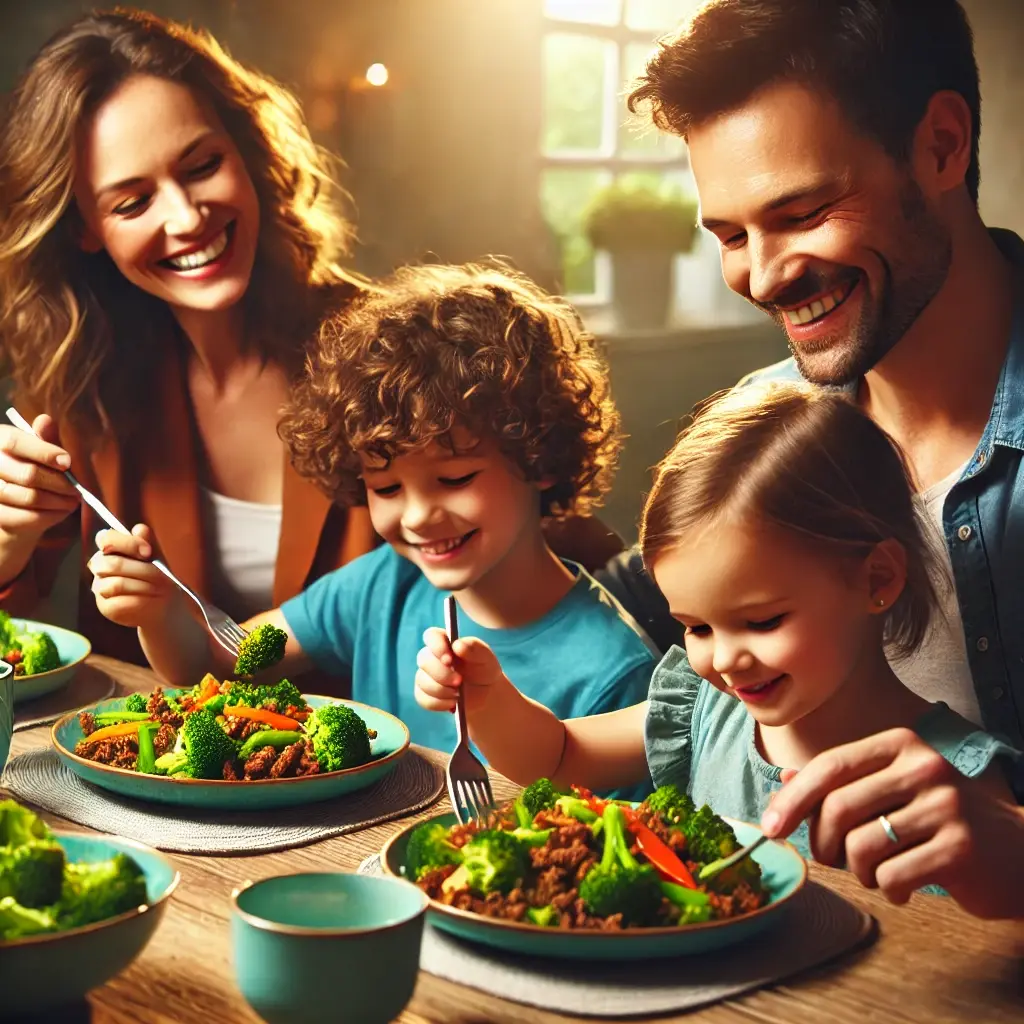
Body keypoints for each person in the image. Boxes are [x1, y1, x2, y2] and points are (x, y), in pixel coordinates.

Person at [0, 9, 620, 679]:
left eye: (203, 165)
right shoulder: (78, 384)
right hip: (163, 765)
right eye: (132, 202)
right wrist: (9, 540)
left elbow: (557, 542)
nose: (185, 218)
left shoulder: (391, 360)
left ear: (247, 154)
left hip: (395, 761)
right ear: (84, 230)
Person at [591, 0, 1024, 914]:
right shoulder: (767, 417)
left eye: (803, 212)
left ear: (942, 145)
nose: (762, 273)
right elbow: (636, 586)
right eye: (731, 236)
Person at [415, 382, 1023, 917]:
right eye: (697, 628)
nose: (725, 659)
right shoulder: (708, 709)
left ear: (876, 580)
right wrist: (488, 700)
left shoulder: (957, 782)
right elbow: (558, 755)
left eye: (761, 622)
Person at [87, 262, 659, 754]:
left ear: (540, 457)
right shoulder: (381, 586)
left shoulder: (615, 672)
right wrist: (156, 611)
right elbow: (218, 662)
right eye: (386, 489)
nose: (416, 517)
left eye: (455, 478)